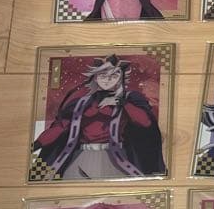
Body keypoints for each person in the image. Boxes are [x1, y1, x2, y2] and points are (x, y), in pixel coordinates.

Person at [33, 55, 166, 180]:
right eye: (103, 75)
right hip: (81, 157)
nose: (108, 79)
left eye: (114, 75)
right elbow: (60, 128)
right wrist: (36, 145)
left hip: (116, 159)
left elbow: (146, 123)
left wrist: (122, 103)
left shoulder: (131, 99)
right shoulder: (80, 103)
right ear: (96, 77)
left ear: (121, 78)